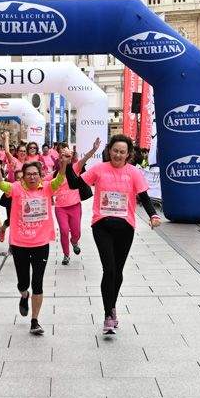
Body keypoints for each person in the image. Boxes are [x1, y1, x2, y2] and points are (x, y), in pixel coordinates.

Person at [0, 150, 92, 335]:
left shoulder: (48, 187)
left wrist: (64, 164)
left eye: (35, 174)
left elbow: (60, 179)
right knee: (23, 283)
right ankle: (24, 295)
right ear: (23, 177)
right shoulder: (16, 188)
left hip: (41, 243)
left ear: (40, 175)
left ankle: (35, 320)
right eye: (28, 174)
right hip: (19, 243)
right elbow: (0, 184)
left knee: (38, 283)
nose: (32, 177)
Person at [83, 135, 161, 336]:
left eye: (122, 152)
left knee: (118, 271)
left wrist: (153, 215)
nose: (118, 154)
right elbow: (78, 184)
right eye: (115, 150)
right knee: (108, 270)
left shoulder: (133, 172)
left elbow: (144, 196)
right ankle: (108, 315)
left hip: (126, 226)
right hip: (102, 225)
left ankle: (112, 306)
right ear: (109, 151)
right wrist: (73, 162)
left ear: (128, 154)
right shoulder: (99, 169)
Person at [53, 146, 92, 265]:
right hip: (60, 208)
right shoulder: (54, 175)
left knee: (76, 233)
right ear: (58, 160)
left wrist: (94, 149)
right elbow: (41, 183)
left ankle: (74, 242)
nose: (63, 159)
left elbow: (85, 158)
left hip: (75, 206)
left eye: (66, 157)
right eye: (61, 157)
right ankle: (66, 255)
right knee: (64, 231)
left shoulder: (75, 168)